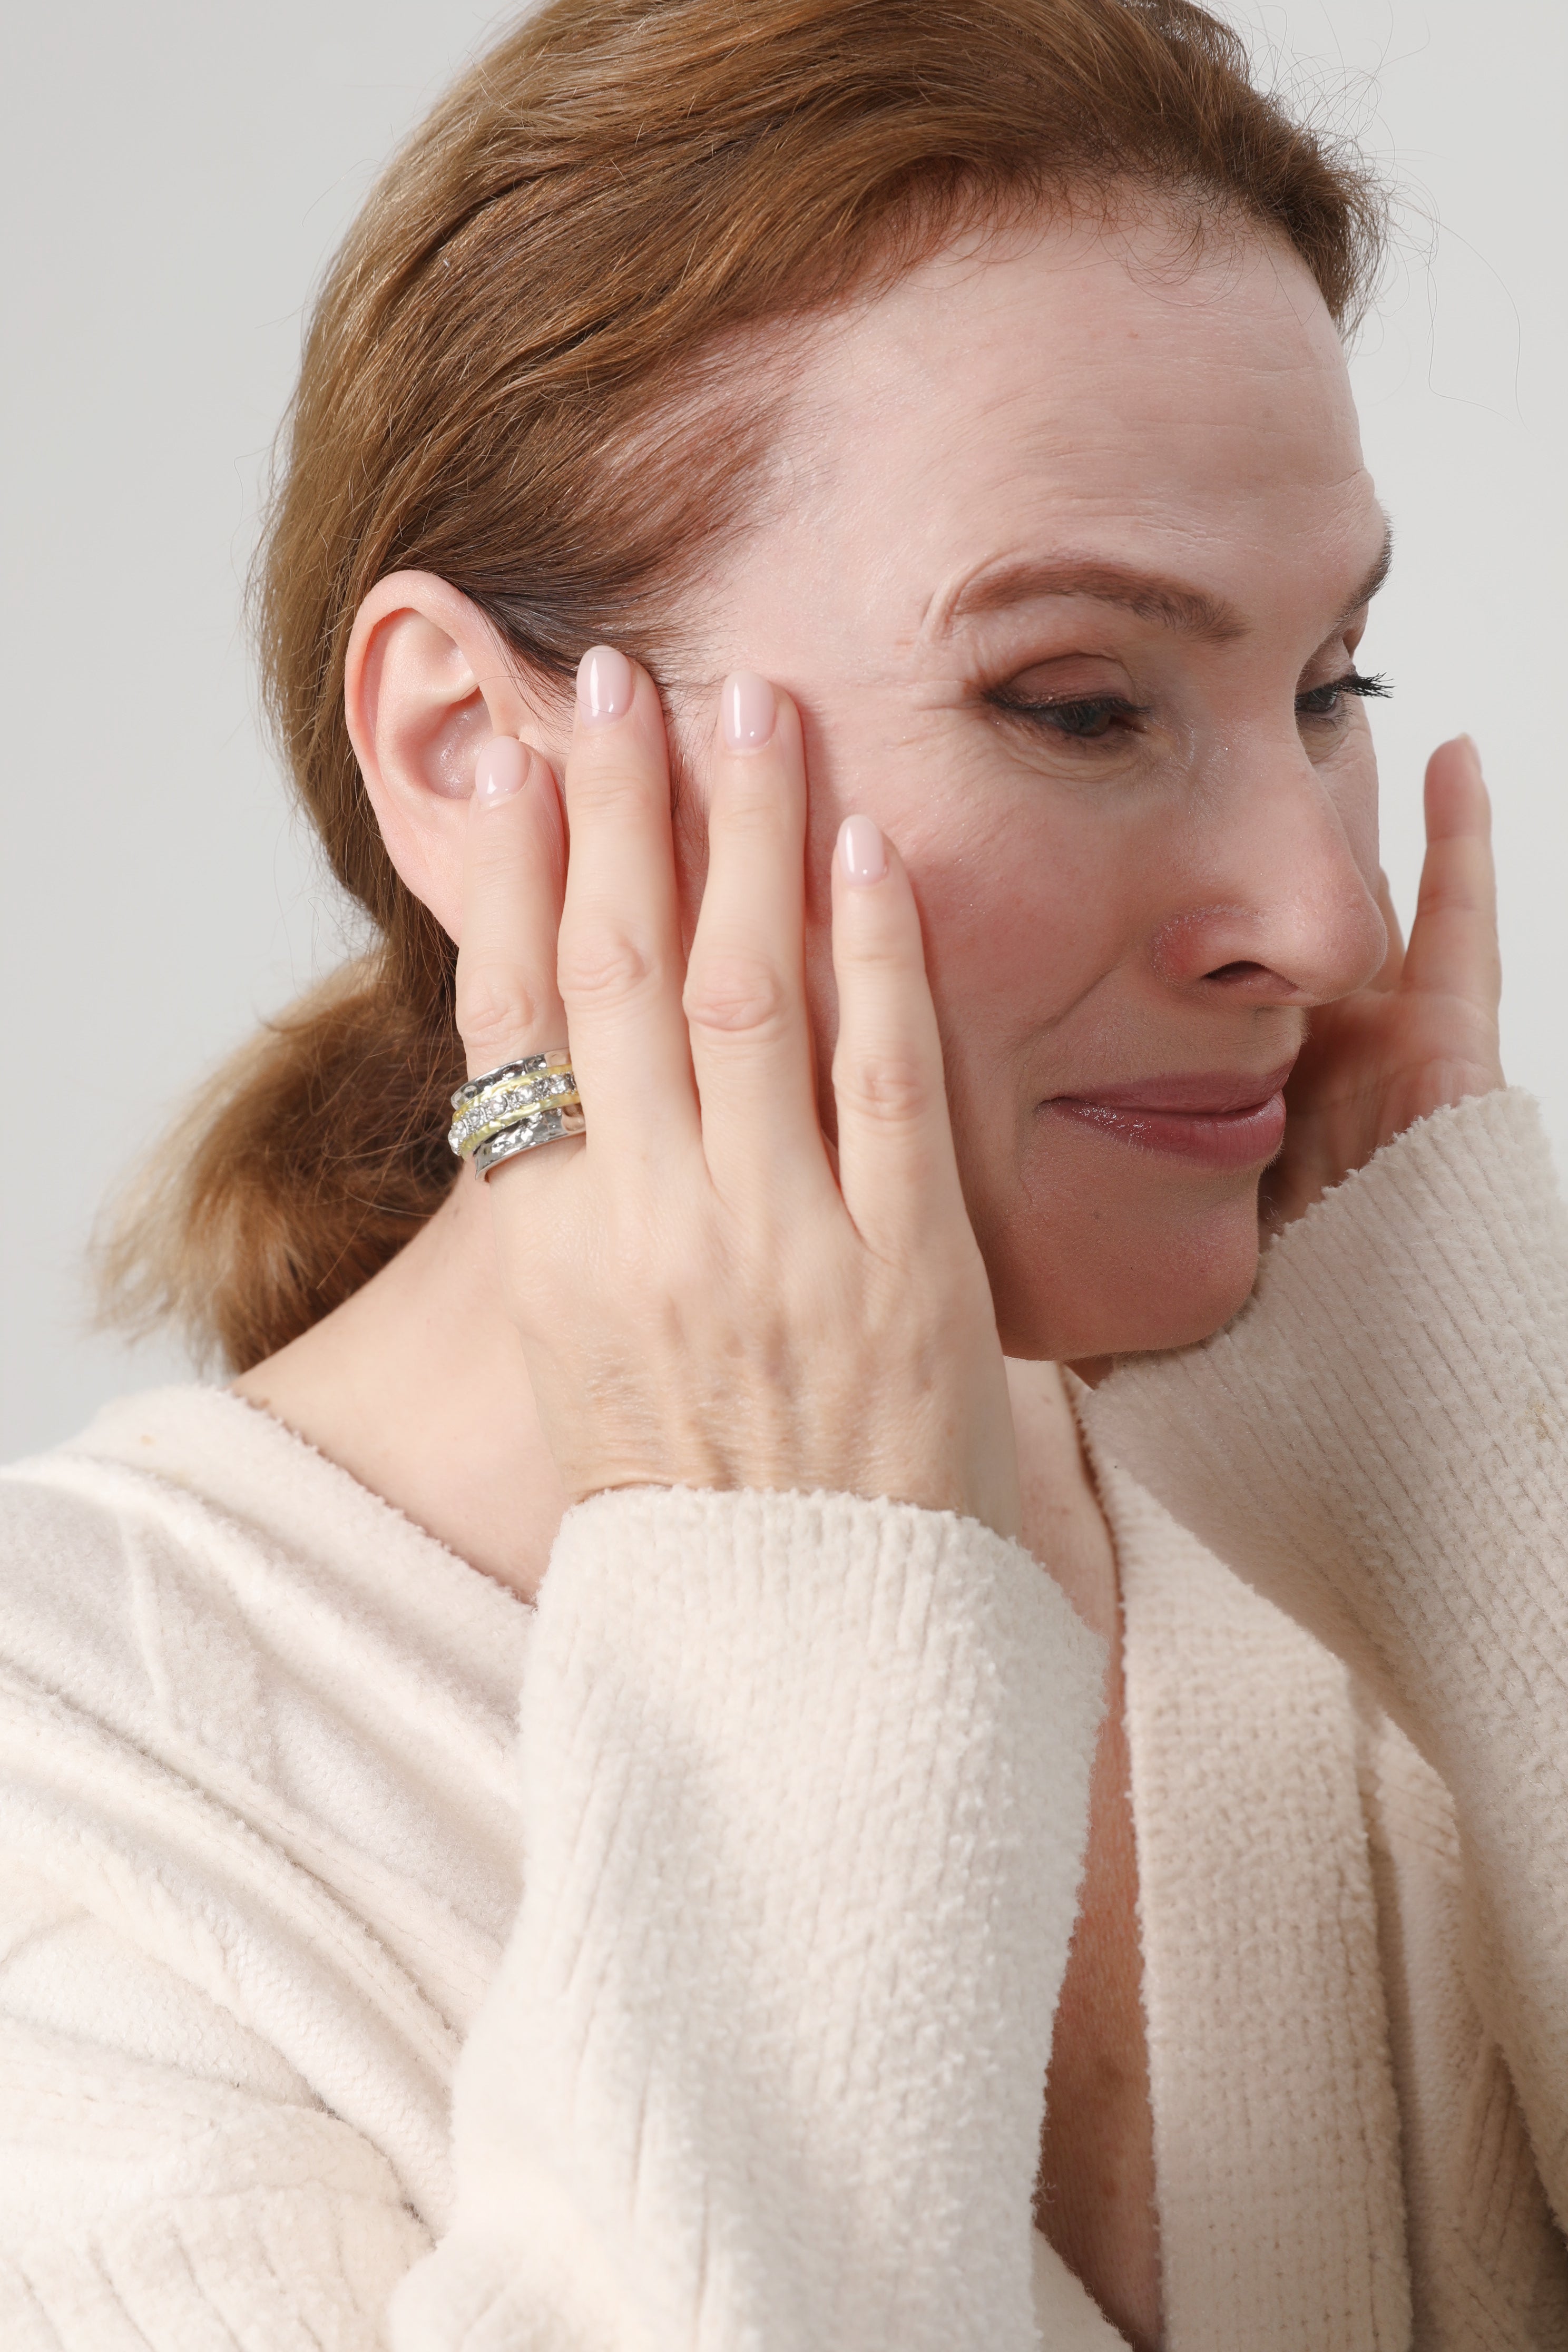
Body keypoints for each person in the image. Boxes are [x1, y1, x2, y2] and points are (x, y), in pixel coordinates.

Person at [3, 0, 1563, 2345]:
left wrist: (1498, 1513)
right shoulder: (89, 1798)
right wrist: (790, 1604)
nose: (1324, 921)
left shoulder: (1409, 1458)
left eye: (1329, 685)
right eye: (1080, 701)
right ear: (469, 757)